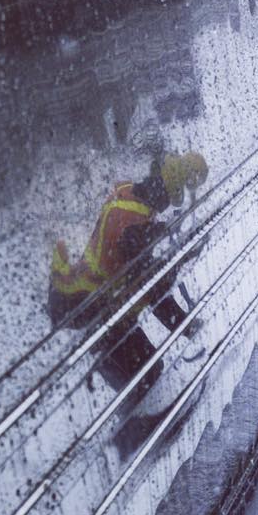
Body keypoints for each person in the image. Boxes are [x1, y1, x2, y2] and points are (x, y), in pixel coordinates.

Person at [49, 150, 208, 399]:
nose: (167, 204)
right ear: (163, 192)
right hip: (91, 308)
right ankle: (132, 428)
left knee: (149, 368)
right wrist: (184, 325)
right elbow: (151, 288)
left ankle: (137, 417)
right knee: (147, 372)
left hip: (101, 302)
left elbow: (142, 268)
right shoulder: (133, 227)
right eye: (171, 196)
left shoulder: (130, 196)